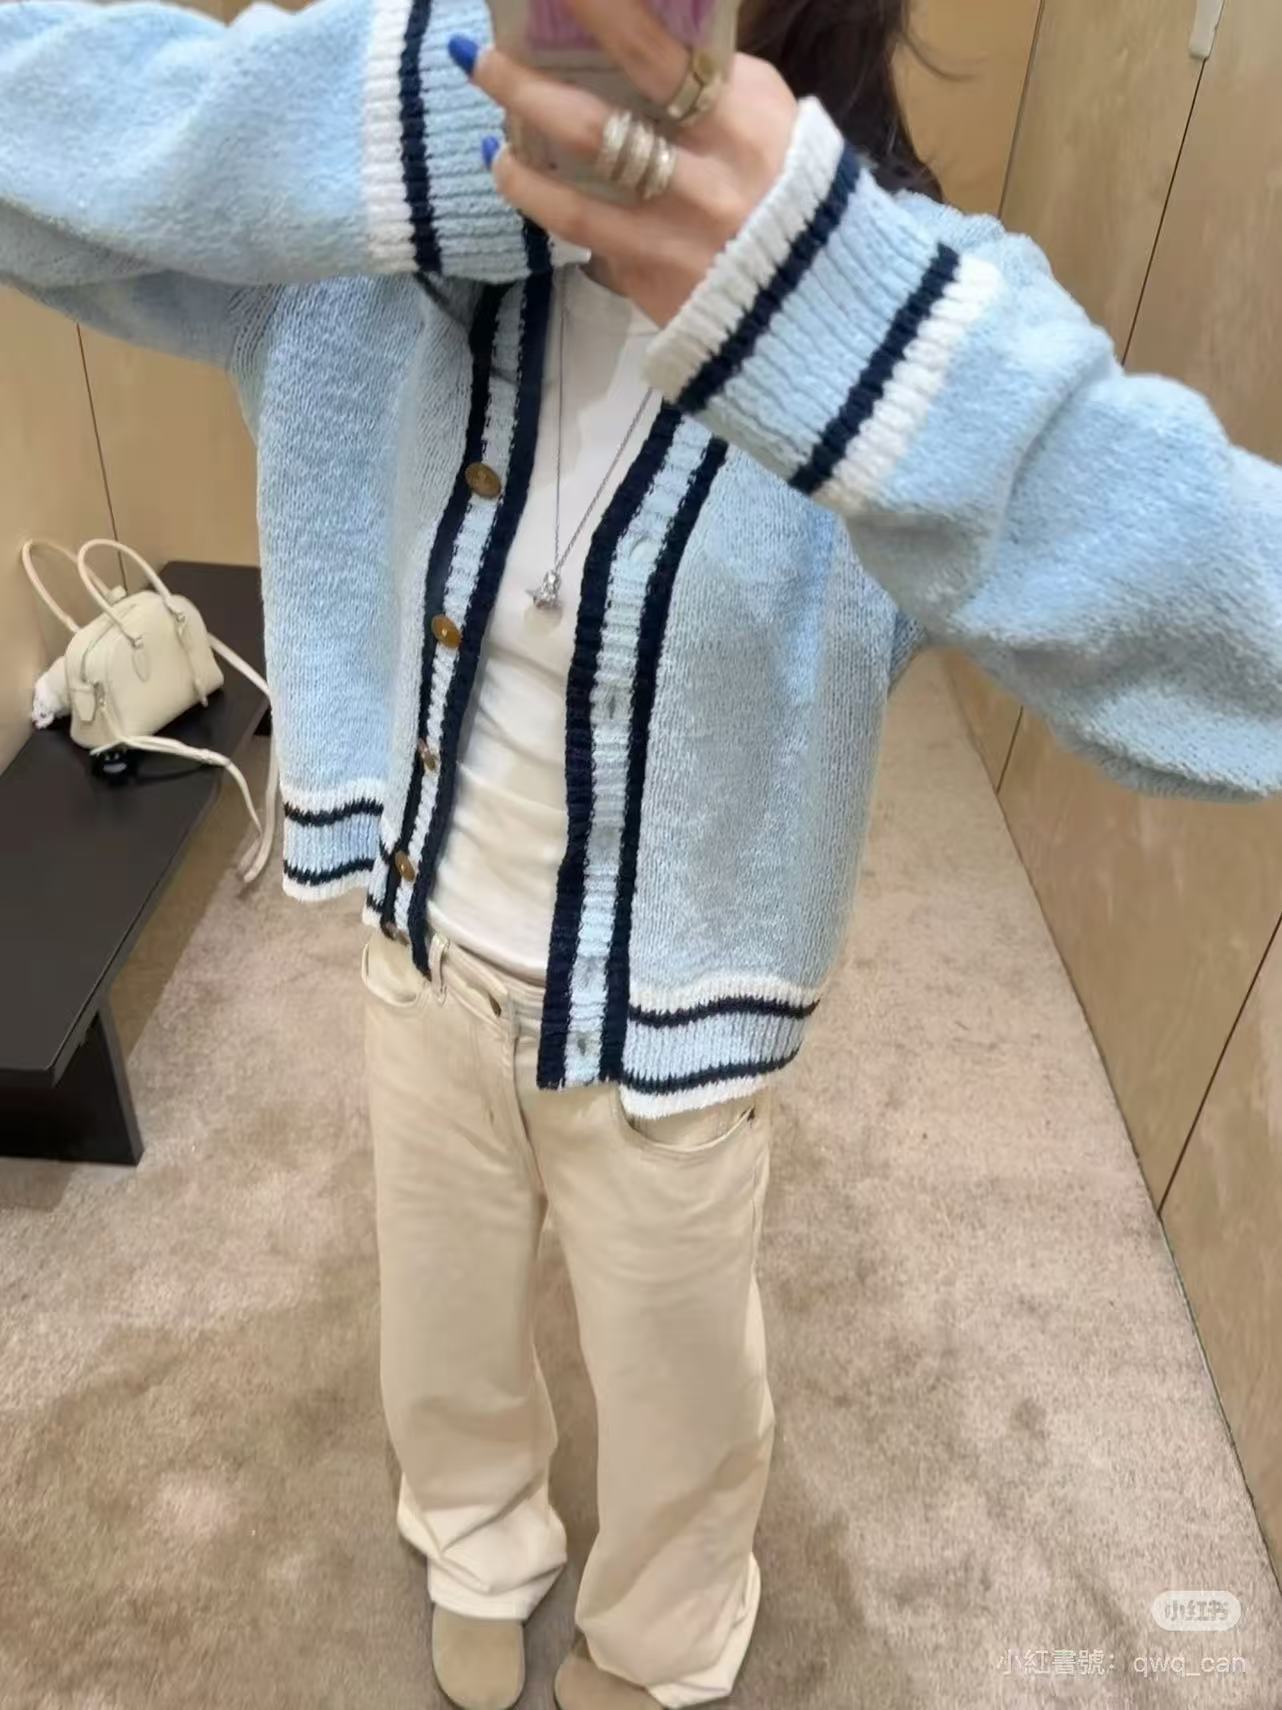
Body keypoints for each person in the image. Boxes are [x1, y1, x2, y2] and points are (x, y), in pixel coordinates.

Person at [3, 0, 1279, 1705]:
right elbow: (43, 152)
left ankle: (668, 1634)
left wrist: (825, 309)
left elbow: (1234, 630)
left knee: (681, 1379)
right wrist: (404, 123)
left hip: (675, 1031)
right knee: (441, 1320)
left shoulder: (890, 289)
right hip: (422, 951)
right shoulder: (372, 267)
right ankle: (475, 1538)